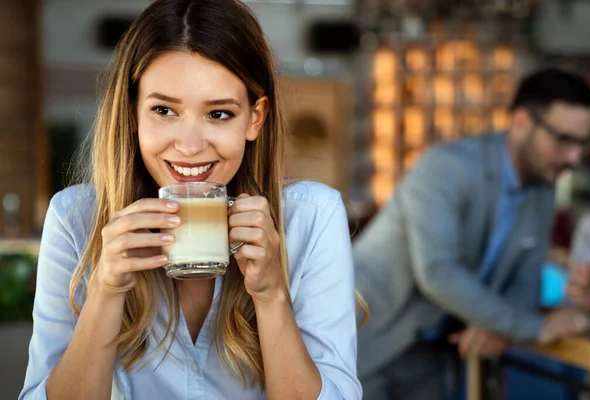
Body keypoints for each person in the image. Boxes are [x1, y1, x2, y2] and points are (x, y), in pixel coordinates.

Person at [19, 1, 361, 399]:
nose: (189, 145)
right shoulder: (75, 219)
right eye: (164, 110)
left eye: (219, 114)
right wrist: (106, 292)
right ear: (132, 113)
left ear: (255, 118)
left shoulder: (312, 218)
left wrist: (270, 294)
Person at [354, 67, 590, 400]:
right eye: (563, 140)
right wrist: (534, 328)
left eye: (583, 144)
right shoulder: (447, 166)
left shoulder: (543, 188)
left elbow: (525, 280)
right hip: (367, 339)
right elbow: (438, 271)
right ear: (521, 122)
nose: (574, 157)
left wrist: (498, 325)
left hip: (439, 351)